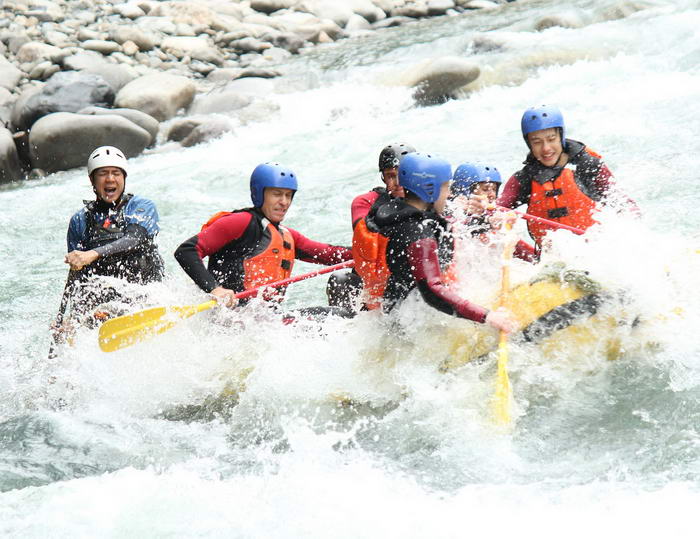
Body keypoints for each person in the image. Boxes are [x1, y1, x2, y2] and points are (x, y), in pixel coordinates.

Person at [174, 162, 353, 314]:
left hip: (263, 323)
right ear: (259, 194)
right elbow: (186, 251)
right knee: (336, 316)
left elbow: (329, 254)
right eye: (277, 194)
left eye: (288, 195)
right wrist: (215, 289)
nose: (284, 202)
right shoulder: (240, 222)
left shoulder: (286, 235)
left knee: (338, 315)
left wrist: (373, 251)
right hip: (231, 319)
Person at [369, 152, 518, 333]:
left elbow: (452, 229)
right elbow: (432, 291)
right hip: (408, 326)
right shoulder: (417, 233)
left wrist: (484, 222)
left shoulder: (405, 213)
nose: (449, 194)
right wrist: (487, 316)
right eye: (446, 187)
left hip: (400, 311)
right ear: (429, 190)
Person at [496, 104, 638, 254]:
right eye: (537, 142)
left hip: (597, 252)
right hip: (552, 260)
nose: (546, 148)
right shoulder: (523, 179)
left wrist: (630, 234)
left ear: (561, 137)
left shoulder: (588, 166)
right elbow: (497, 208)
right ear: (529, 144)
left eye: (551, 139)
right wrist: (492, 215)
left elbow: (624, 203)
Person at [63, 145, 164, 319]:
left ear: (124, 178)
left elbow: (135, 239)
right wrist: (73, 318)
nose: (110, 179)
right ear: (92, 180)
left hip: (146, 293)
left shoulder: (141, 206)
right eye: (103, 174)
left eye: (116, 173)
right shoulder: (80, 220)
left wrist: (93, 253)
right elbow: (78, 273)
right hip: (105, 304)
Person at [327, 143, 416, 311]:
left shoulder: (430, 200)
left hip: (410, 282)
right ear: (383, 178)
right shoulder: (365, 202)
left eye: (402, 175)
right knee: (340, 279)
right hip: (376, 285)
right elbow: (364, 233)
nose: (397, 183)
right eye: (391, 176)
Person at [449, 162, 535, 263]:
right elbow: (461, 231)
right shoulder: (454, 213)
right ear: (466, 191)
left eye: (494, 189)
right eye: (485, 189)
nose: (491, 195)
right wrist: (487, 222)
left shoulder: (494, 220)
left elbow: (524, 252)